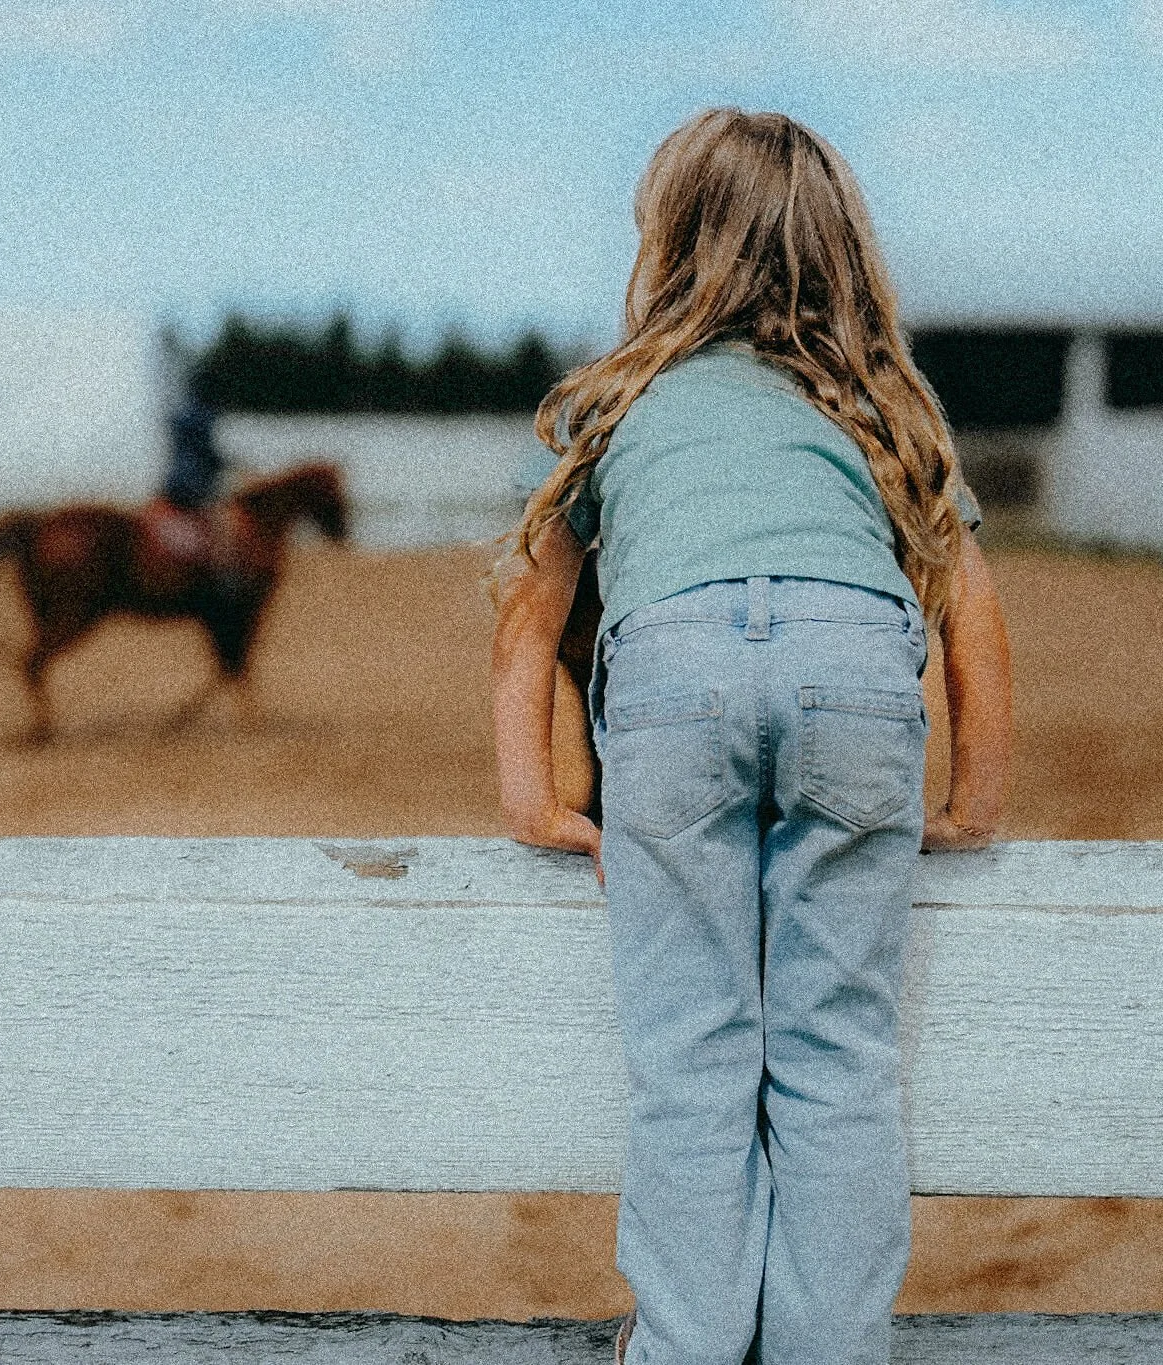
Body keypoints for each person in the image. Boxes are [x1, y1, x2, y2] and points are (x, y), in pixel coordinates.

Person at [491, 109, 1013, 1365]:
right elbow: (970, 627)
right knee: (837, 1063)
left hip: (670, 681)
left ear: (666, 247)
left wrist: (533, 800)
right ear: (843, 250)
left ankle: (683, 1345)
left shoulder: (621, 399)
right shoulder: (888, 404)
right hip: (855, 679)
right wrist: (969, 803)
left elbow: (527, 628)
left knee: (692, 1063)